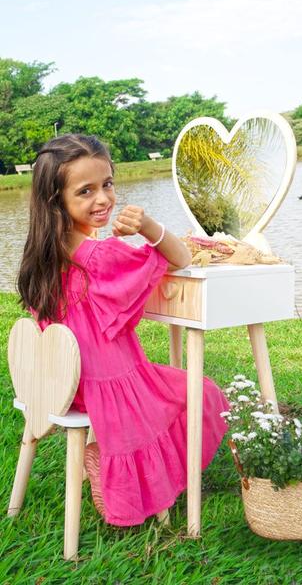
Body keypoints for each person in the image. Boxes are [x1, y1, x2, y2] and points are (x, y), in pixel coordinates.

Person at [17, 133, 229, 526]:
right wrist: (149, 226)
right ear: (56, 200)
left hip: (63, 383)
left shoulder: (42, 255)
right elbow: (179, 258)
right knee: (204, 391)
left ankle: (105, 461)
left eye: (107, 185)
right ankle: (137, 477)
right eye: (86, 191)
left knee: (185, 388)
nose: (103, 199)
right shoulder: (100, 256)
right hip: (109, 385)